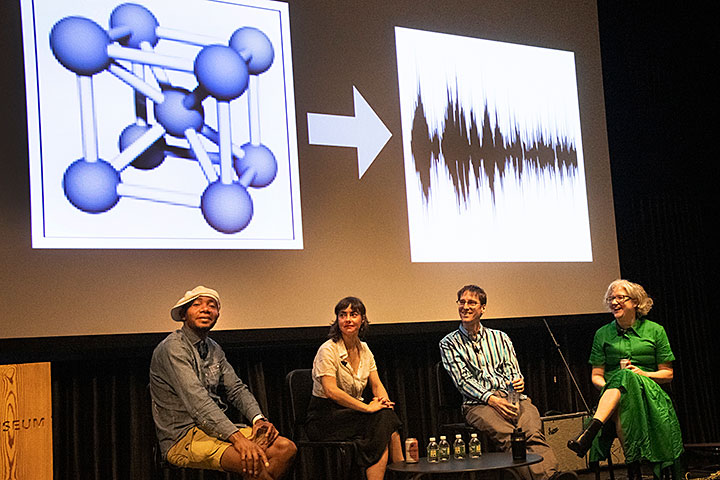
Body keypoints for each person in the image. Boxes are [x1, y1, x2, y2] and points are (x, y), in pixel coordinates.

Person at [149, 285, 296, 478]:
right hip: (183, 437)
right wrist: (236, 438)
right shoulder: (172, 348)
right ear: (184, 315)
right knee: (255, 463)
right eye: (197, 304)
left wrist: (258, 419)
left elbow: (236, 389)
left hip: (215, 430)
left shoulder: (213, 348)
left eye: (212, 305)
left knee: (286, 448)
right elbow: (197, 401)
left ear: (217, 314)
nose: (205, 309)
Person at [440, 285, 576, 480]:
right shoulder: (449, 343)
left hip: (513, 398)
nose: (466, 307)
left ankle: (551, 476)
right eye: (462, 302)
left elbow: (513, 371)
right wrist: (493, 400)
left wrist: (516, 385)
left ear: (483, 308)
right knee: (512, 438)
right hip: (478, 404)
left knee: (532, 433)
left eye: (472, 302)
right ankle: (543, 479)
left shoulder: (501, 338)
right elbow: (463, 381)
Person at [567, 280, 683, 477]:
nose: (614, 302)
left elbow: (668, 374)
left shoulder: (655, 330)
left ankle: (593, 429)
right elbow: (596, 376)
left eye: (620, 297)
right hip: (613, 399)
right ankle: (634, 466)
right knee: (623, 388)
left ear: (636, 302)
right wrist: (611, 388)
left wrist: (643, 374)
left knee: (626, 376)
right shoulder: (602, 334)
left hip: (652, 395)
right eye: (611, 299)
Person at [305, 296, 404, 480]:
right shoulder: (328, 350)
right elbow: (331, 391)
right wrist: (367, 408)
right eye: (343, 315)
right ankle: (404, 475)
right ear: (337, 320)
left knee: (385, 416)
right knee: (383, 422)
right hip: (324, 418)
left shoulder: (364, 349)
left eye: (353, 314)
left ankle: (401, 475)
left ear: (363, 320)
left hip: (351, 414)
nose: (348, 319)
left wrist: (385, 402)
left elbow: (376, 384)